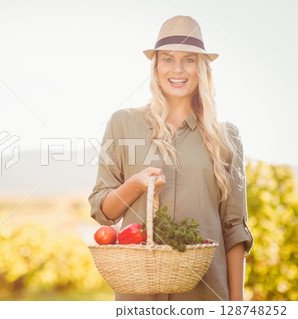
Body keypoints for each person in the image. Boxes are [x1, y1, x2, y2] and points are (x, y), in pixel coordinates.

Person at [88, 15, 254, 301]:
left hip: (204, 295)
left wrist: (236, 308)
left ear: (201, 67)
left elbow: (234, 227)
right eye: (168, 58)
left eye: (189, 59)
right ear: (156, 66)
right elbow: (103, 211)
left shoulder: (227, 136)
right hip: (139, 297)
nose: (178, 69)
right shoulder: (123, 123)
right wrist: (135, 186)